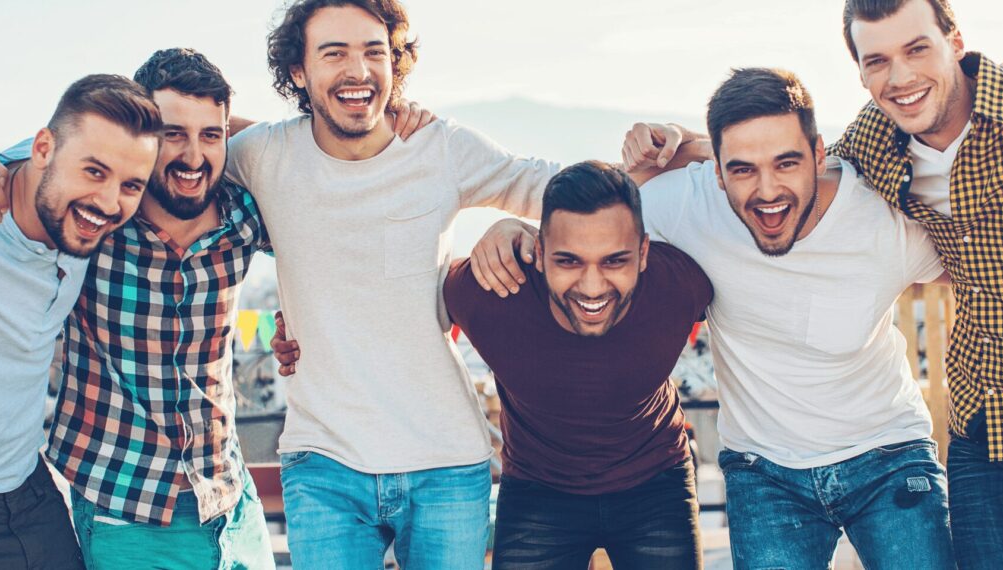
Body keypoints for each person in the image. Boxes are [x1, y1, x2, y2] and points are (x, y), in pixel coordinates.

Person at [0, 47, 435, 569]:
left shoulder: (244, 212)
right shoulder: (103, 212)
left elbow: (344, 221)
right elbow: (44, 160)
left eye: (211, 135)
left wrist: (382, 129)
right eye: (171, 136)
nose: (192, 157)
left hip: (229, 502)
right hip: (125, 510)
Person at [475, 68, 955, 568]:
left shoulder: (880, 219)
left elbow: (979, 266)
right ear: (718, 172)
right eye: (743, 169)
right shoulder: (688, 205)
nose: (767, 191)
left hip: (887, 452)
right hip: (765, 471)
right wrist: (513, 229)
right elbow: (585, 226)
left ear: (819, 154)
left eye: (787, 163)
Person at [227, 0, 561, 566]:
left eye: (373, 52)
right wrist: (19, 166)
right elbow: (177, 139)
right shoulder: (263, 154)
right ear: (299, 73)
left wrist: (689, 156)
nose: (358, 70)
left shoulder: (441, 147)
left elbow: (567, 193)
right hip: (323, 464)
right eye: (335, 54)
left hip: (447, 464)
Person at [834, 2, 1003, 566]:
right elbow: (784, 167)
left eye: (916, 49)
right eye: (876, 60)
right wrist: (680, 145)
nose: (900, 78)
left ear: (955, 41)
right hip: (989, 432)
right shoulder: (874, 141)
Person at [0, 74, 161, 569]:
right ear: (43, 148)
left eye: (130, 185)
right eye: (93, 173)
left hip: (30, 491)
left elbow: (215, 131)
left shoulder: (77, 206)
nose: (110, 204)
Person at [447, 161, 710, 568]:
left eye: (614, 261)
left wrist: (680, 139)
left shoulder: (679, 283)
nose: (592, 286)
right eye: (568, 261)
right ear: (540, 250)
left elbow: (740, 179)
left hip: (656, 483)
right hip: (539, 490)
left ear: (643, 252)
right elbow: (397, 298)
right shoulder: (490, 293)